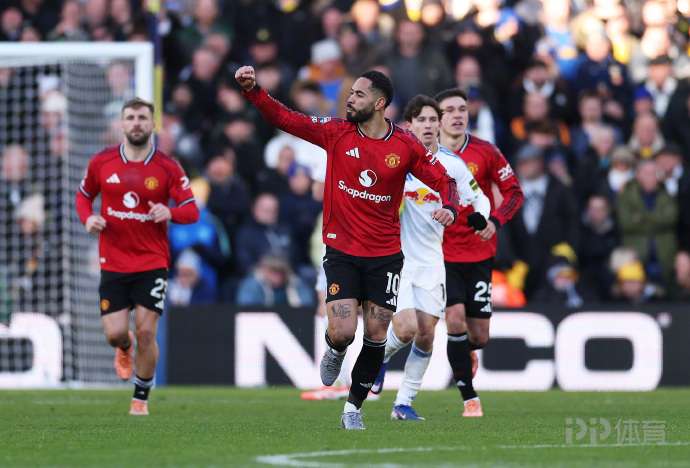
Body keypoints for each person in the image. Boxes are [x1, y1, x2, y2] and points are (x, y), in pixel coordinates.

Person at [236, 66, 462, 430]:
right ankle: (335, 348)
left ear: (379, 103)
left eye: (358, 94)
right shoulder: (336, 132)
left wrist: (449, 207)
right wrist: (253, 91)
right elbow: (286, 119)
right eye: (351, 93)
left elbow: (444, 180)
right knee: (343, 331)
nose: (350, 99)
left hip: (385, 256)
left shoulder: (405, 146)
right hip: (342, 251)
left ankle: (353, 408)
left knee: (376, 335)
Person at [75, 98, 199, 416]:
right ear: (121, 124)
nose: (136, 123)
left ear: (152, 124)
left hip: (151, 261)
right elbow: (84, 197)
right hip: (113, 261)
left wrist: (169, 212)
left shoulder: (167, 166)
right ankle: (123, 347)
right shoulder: (102, 162)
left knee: (146, 331)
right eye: (130, 117)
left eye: (142, 118)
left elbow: (191, 210)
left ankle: (140, 397)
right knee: (115, 333)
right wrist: (88, 219)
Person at [371, 94, 490, 421]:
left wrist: (480, 217)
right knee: (407, 328)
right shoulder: (395, 159)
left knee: (426, 334)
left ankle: (403, 403)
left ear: (439, 125)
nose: (427, 125)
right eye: (420, 120)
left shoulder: (452, 165)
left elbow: (480, 199)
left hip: (433, 262)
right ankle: (377, 359)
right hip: (397, 259)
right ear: (409, 125)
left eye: (432, 120)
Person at [433, 88, 523, 416]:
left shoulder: (486, 152)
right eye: (449, 110)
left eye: (462, 109)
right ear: (438, 118)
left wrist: (495, 222)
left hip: (479, 252)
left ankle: (465, 351)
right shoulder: (426, 155)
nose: (457, 115)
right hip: (441, 253)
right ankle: (469, 397)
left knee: (480, 336)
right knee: (454, 317)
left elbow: (514, 192)